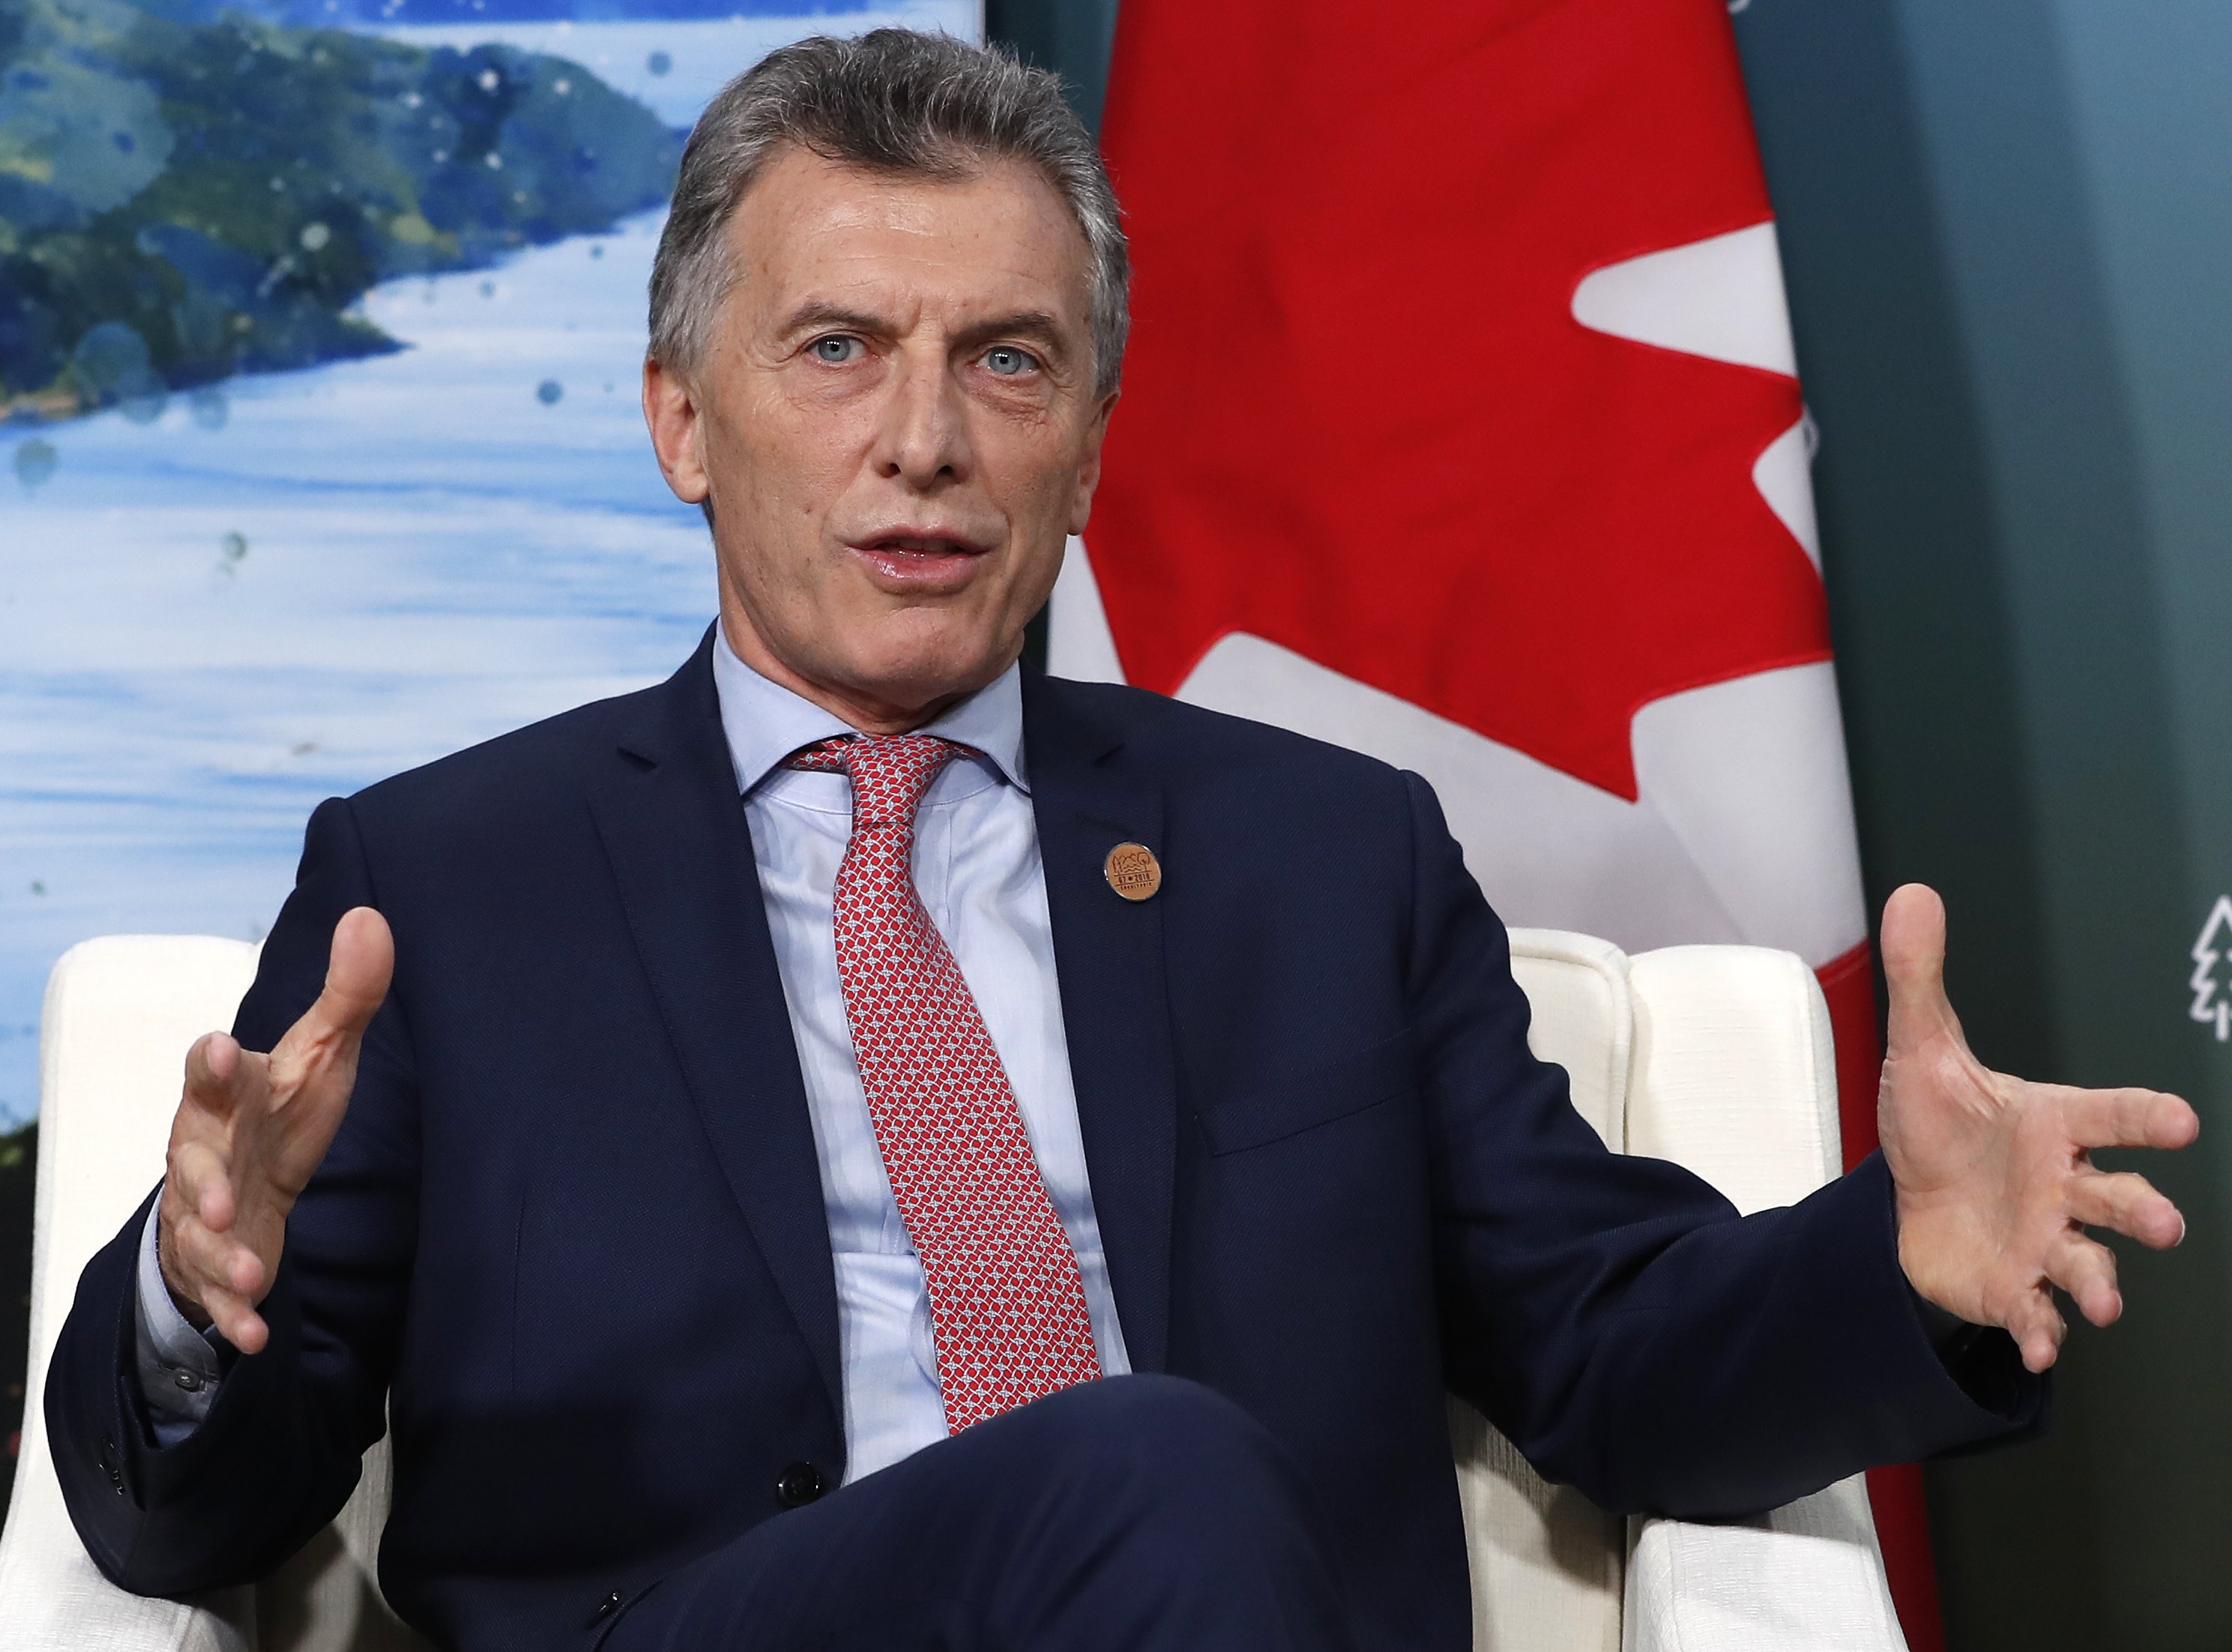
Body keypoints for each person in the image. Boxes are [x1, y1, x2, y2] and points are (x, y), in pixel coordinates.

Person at [46, 29, 2195, 1652]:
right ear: (679, 419)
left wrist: (1892, 1266)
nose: (922, 438)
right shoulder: (446, 883)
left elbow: (1614, 1348)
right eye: (835, 351)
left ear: (1087, 440)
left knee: (1164, 1489)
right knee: (1149, 1455)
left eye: (1005, 360)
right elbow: (178, 1527)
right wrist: (186, 1291)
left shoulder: (1318, 861)